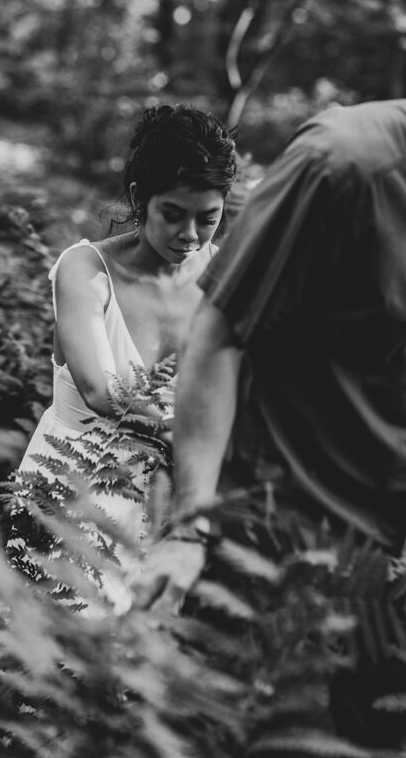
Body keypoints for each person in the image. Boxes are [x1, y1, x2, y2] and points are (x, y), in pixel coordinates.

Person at [132, 79, 406, 614]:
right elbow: (216, 337)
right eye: (174, 214)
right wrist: (188, 533)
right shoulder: (343, 162)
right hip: (276, 566)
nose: (190, 233)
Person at [14, 103, 239, 608]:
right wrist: (200, 435)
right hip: (73, 489)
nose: (190, 236)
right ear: (140, 197)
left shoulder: (222, 276)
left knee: (141, 667)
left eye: (209, 219)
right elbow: (100, 390)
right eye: (173, 215)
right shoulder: (85, 270)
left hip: (168, 500)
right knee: (48, 663)